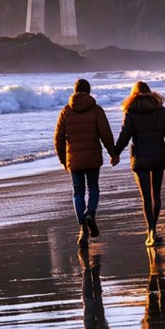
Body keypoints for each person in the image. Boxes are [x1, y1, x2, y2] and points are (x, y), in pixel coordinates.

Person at [114, 81, 165, 247]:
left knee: (145, 196)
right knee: (155, 194)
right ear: (150, 92)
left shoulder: (131, 112)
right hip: (159, 156)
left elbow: (125, 136)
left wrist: (115, 152)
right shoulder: (161, 110)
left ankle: (150, 230)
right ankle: (154, 229)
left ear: (133, 94)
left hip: (140, 157)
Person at [54, 78, 118, 247]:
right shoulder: (96, 110)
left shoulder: (65, 111)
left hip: (74, 160)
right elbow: (106, 134)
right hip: (92, 158)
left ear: (74, 91)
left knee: (78, 192)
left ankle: (83, 228)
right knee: (93, 187)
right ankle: (90, 213)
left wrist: (63, 160)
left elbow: (58, 140)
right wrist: (113, 153)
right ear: (89, 91)